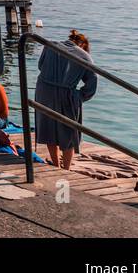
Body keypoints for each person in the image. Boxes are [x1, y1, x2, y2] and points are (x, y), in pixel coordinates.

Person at [33, 29, 98, 169]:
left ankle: (55, 164)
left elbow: (40, 66)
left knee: (48, 128)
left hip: (43, 90)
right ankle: (66, 168)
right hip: (65, 95)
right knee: (68, 133)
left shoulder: (50, 45)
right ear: (84, 46)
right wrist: (79, 96)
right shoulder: (85, 57)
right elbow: (92, 81)